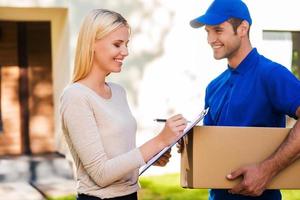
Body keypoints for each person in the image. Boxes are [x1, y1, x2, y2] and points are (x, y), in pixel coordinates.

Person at [59, 9, 187, 200]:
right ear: (92, 43)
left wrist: (151, 156)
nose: (125, 52)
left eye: (126, 44)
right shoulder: (76, 96)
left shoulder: (118, 92)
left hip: (130, 195)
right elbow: (101, 174)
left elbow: (120, 157)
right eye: (117, 44)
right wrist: (159, 140)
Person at [189, 0, 300, 199]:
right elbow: (212, 148)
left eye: (218, 30)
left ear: (242, 28)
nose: (210, 39)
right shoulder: (214, 87)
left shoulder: (272, 74)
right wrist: (184, 143)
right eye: (208, 32)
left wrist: (267, 170)